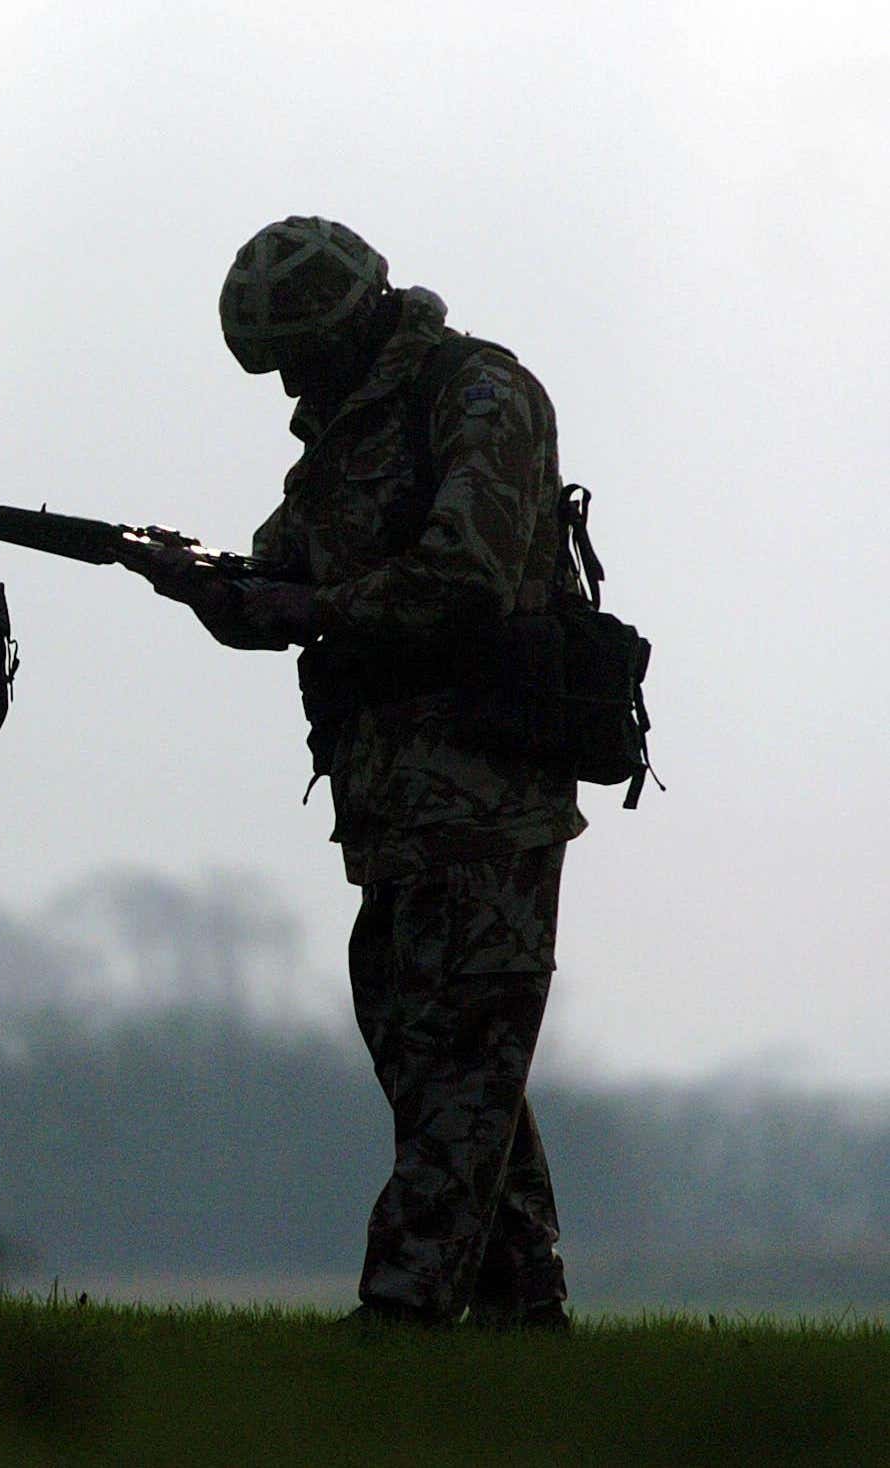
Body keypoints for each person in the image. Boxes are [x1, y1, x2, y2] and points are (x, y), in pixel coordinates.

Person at [133, 219, 585, 1329]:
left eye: (299, 354)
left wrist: (312, 608)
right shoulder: (350, 427)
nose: (291, 380)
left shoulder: (478, 395)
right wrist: (205, 587)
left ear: (351, 324)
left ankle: (405, 1312)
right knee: (427, 1047)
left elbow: (465, 575)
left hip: (486, 786)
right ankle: (520, 1302)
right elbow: (281, 575)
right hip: (391, 798)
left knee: (462, 1056)